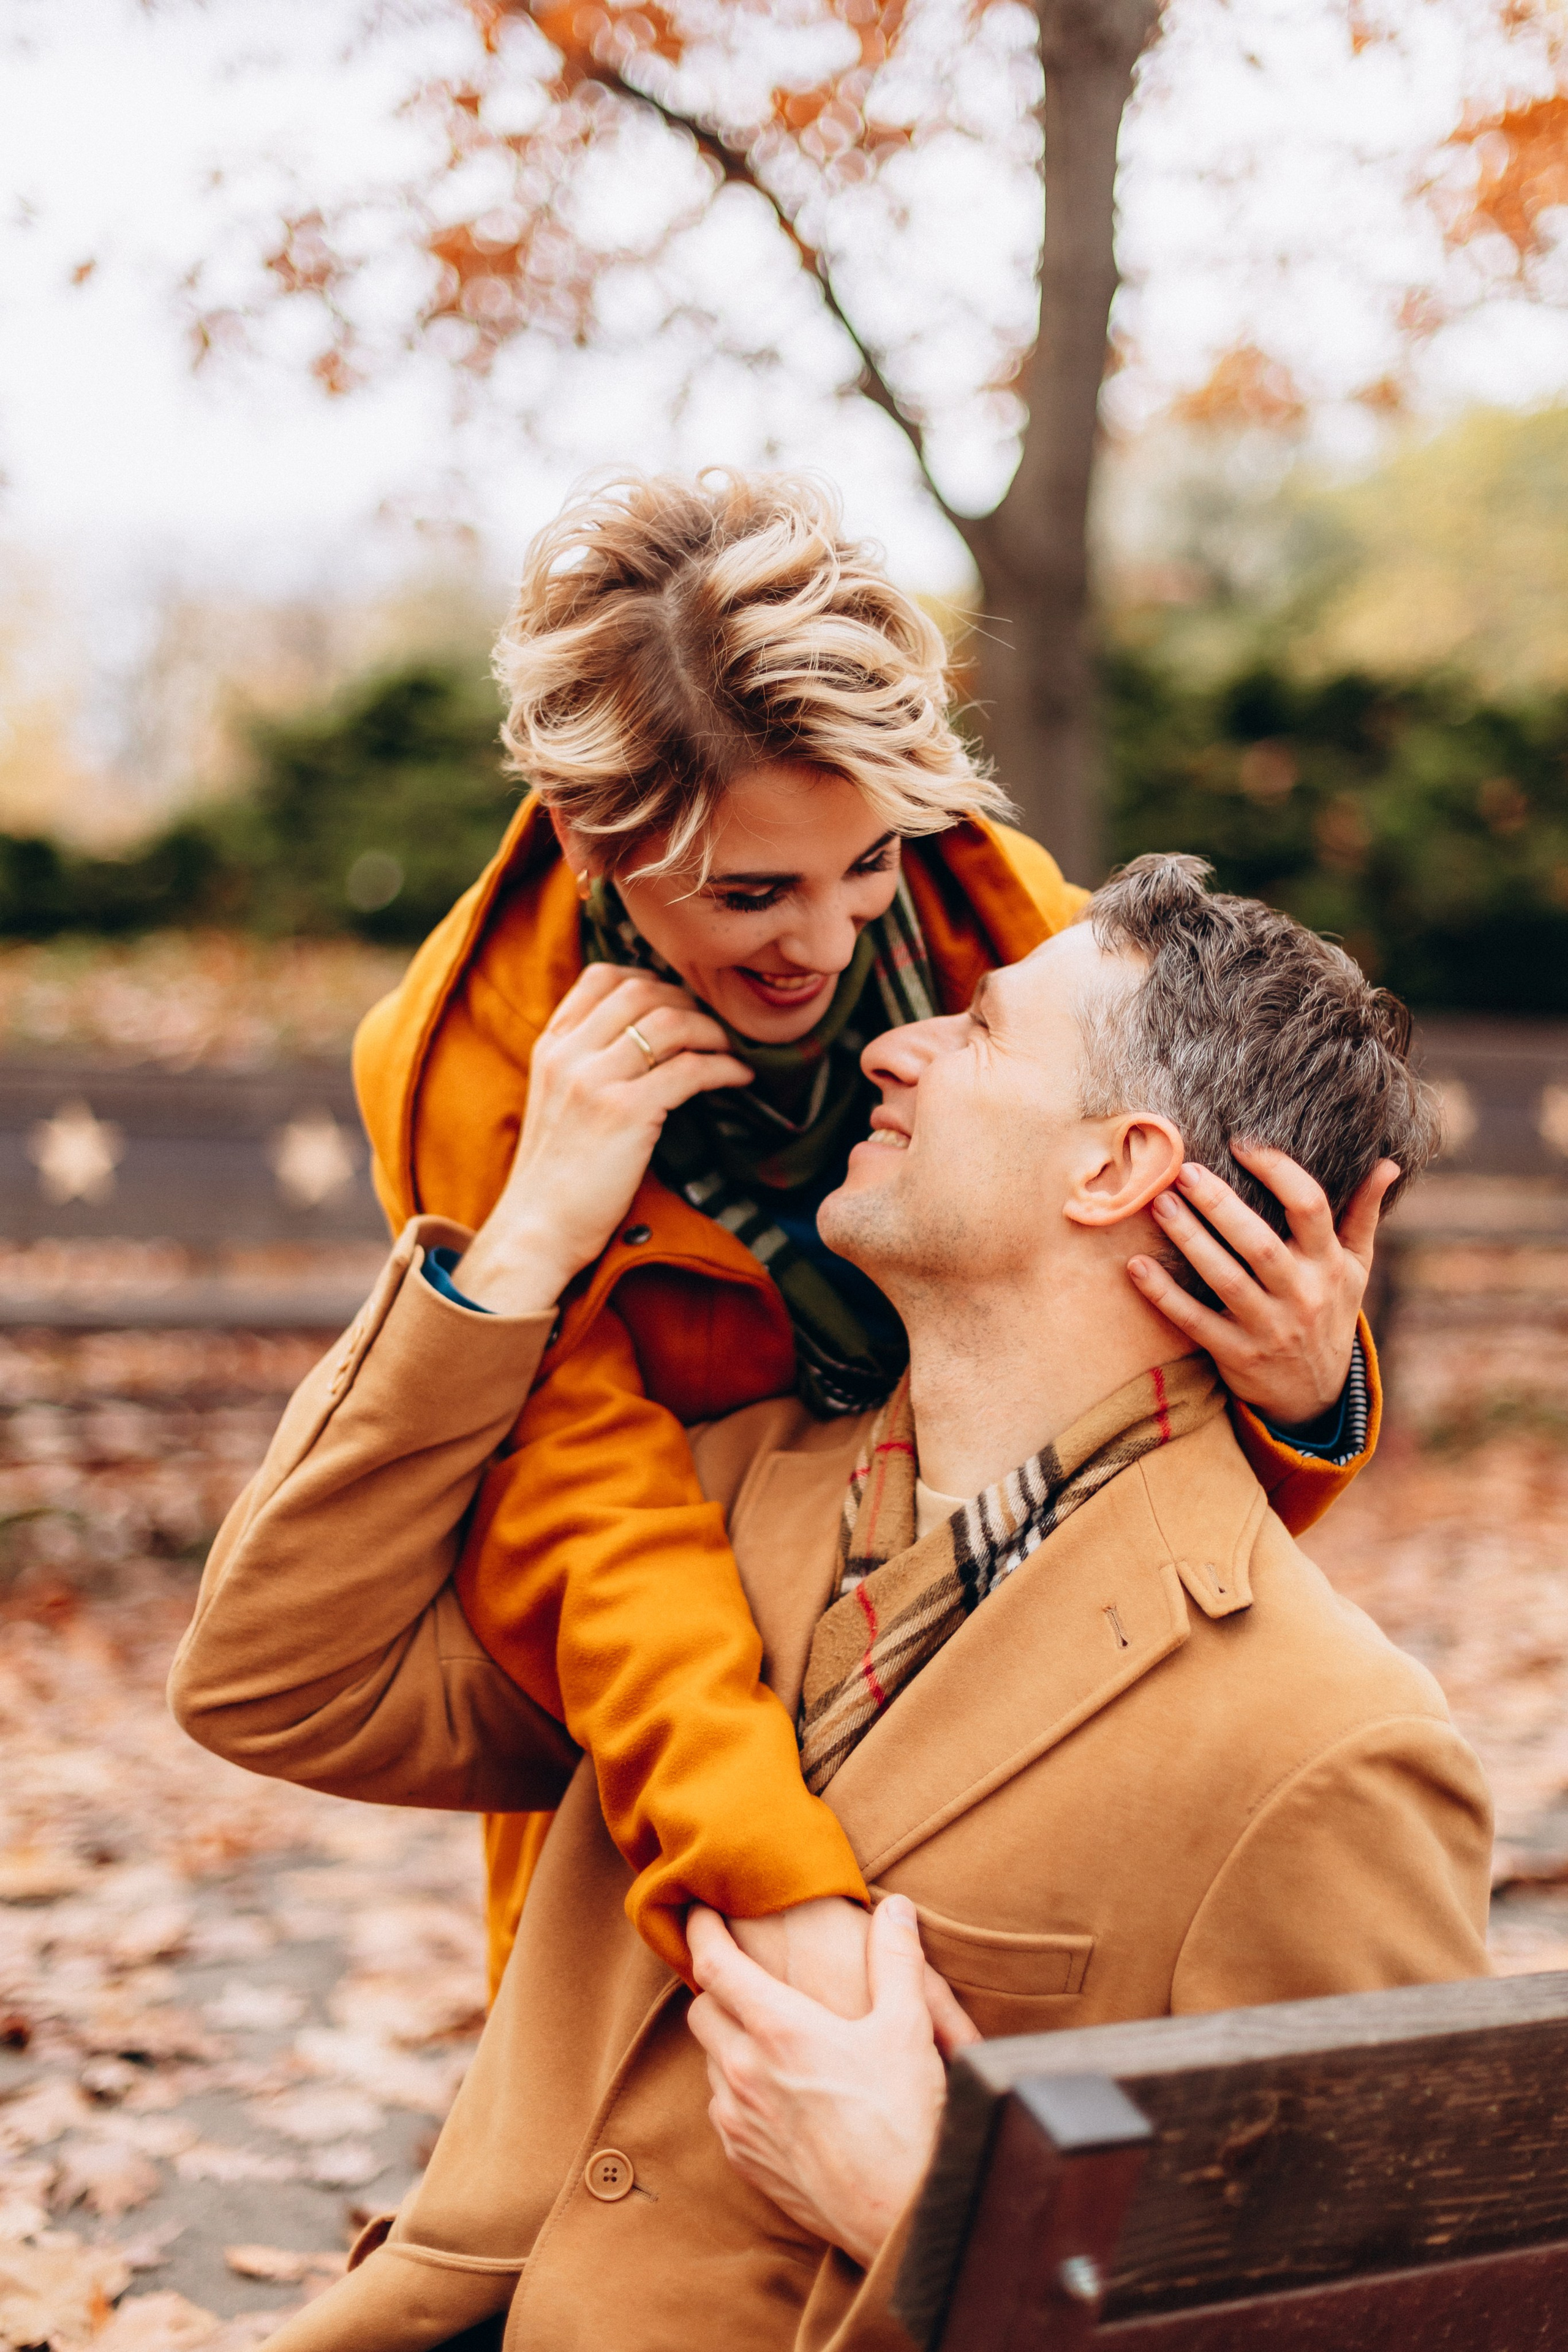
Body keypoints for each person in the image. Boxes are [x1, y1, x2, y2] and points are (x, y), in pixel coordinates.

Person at [169, 856, 1491, 2352]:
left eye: (978, 1030)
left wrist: (928, 2212)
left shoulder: (1326, 1750)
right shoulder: (710, 1507)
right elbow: (274, 1684)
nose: (892, 1041)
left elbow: (1373, 2324)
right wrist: (520, 1245)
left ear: (1112, 1169)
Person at [351, 470, 1389, 1993]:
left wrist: (1305, 1398)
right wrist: (766, 1887)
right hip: (663, 1686)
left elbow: (1107, 1390)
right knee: (620, 2105)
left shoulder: (1007, 918)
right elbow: (576, 1510)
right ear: (591, 837)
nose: (827, 946)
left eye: (866, 864)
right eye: (753, 893)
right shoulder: (467, 1063)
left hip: (958, 1609)